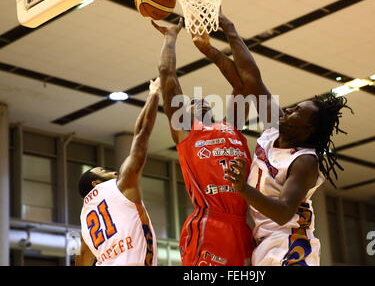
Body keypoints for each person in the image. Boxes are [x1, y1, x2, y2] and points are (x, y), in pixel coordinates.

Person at [194, 11, 352, 266]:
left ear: (308, 129)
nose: (289, 109)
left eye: (298, 112)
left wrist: (242, 188)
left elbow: (282, 212)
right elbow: (250, 79)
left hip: (292, 245)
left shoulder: (304, 162)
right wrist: (218, 38)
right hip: (266, 242)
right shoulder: (274, 129)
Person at [151, 18, 254, 266]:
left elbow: (242, 84)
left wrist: (208, 49)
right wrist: (170, 37)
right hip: (211, 224)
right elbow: (167, 75)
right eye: (190, 102)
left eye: (203, 99)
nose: (199, 100)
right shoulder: (187, 132)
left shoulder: (232, 127)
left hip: (244, 225)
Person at [75, 79, 161, 266]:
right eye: (104, 171)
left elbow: (81, 258)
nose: (113, 172)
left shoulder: (84, 218)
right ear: (95, 183)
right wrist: (154, 94)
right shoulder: (120, 187)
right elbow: (141, 135)